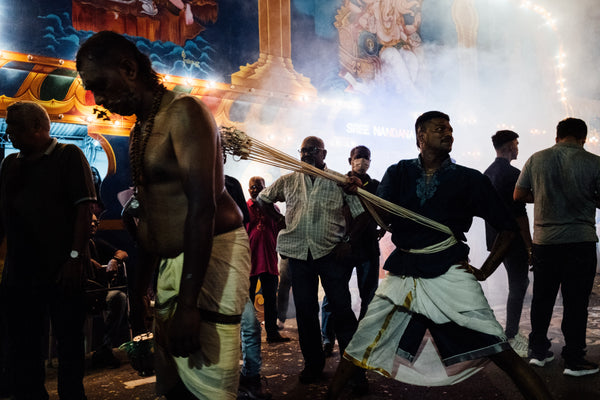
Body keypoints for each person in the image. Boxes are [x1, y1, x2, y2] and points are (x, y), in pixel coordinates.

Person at [328, 111, 553, 400]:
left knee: (503, 353)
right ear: (421, 136)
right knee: (358, 347)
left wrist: (484, 271)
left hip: (450, 273)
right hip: (405, 274)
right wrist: (360, 193)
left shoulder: (468, 178)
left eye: (450, 129)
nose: (449, 134)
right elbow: (382, 215)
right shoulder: (398, 172)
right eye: (439, 129)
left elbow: (508, 228)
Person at [77, 31, 251, 399]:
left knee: (210, 385)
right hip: (173, 263)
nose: (101, 98)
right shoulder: (143, 124)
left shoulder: (183, 112)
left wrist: (188, 306)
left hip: (213, 254)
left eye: (101, 86)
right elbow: (153, 214)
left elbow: (201, 208)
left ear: (128, 68)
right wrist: (139, 293)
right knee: (171, 379)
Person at [0, 101, 96, 400]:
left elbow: (84, 209)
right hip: (20, 272)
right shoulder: (10, 164)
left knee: (69, 344)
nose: (9, 133)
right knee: (24, 345)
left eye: (15, 127)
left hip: (61, 270)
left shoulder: (68, 156)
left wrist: (74, 259)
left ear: (39, 128)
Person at [258, 136, 368, 384]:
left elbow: (362, 215)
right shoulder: (288, 180)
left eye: (313, 150)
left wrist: (347, 241)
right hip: (298, 255)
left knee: (342, 312)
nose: (306, 154)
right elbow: (263, 199)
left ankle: (354, 372)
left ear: (324, 154)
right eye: (303, 150)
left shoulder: (339, 181)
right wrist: (277, 221)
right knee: (306, 313)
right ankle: (313, 365)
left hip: (330, 254)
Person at [514, 117, 600, 377]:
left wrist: (541, 196)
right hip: (580, 241)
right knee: (576, 302)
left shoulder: (536, 159)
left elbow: (518, 195)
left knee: (542, 298)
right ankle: (573, 360)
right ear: (583, 139)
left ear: (556, 137)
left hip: (545, 242)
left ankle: (538, 353)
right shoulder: (594, 162)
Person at [321, 145, 382, 358]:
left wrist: (382, 229)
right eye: (359, 158)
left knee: (369, 296)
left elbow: (384, 211)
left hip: (367, 248)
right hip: (342, 248)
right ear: (350, 160)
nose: (363, 162)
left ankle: (362, 339)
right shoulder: (339, 183)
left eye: (367, 158)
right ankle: (328, 338)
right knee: (333, 294)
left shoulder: (376, 186)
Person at [484, 130, 532, 357]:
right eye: (516, 143)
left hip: (494, 237)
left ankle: (509, 331)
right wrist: (530, 244)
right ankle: (512, 333)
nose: (517, 148)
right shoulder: (513, 173)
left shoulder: (488, 173)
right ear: (507, 147)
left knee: (514, 283)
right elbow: (519, 212)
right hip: (513, 238)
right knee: (518, 284)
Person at [224, 172, 272, 400]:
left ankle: (251, 379)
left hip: (235, 281)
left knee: (251, 327)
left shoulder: (230, 184)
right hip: (208, 284)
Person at [246, 176, 289, 343]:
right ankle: (249, 334)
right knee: (248, 300)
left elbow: (281, 230)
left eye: (259, 186)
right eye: (252, 187)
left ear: (265, 189)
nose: (255, 189)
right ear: (248, 190)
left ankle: (272, 333)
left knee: (271, 299)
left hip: (269, 260)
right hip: (250, 261)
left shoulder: (274, 209)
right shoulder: (244, 208)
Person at [87, 213, 130, 369]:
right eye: (89, 221)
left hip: (100, 293)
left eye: (95, 222)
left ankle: (105, 347)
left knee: (119, 296)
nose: (93, 225)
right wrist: (85, 259)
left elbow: (123, 252)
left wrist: (114, 260)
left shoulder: (96, 242)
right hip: (78, 294)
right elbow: (70, 255)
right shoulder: (73, 246)